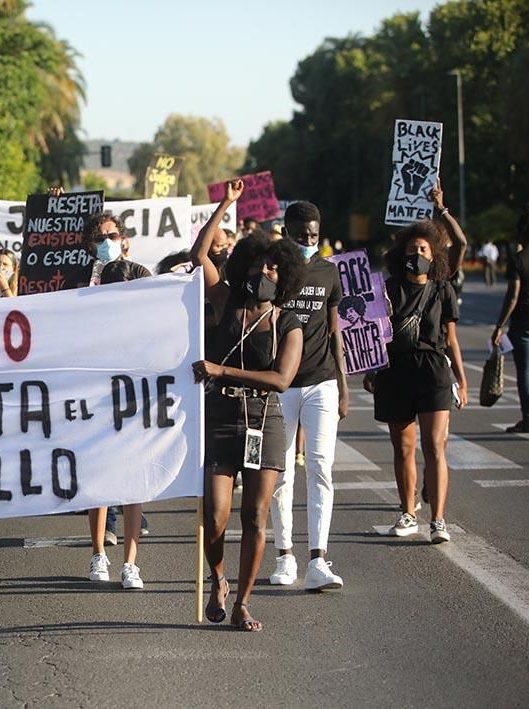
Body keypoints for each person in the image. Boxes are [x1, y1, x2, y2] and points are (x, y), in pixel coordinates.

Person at [192, 178, 306, 631]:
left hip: (263, 422)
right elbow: (200, 254)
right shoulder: (226, 301)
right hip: (220, 419)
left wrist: (221, 371)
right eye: (259, 265)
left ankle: (242, 601)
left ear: (286, 275)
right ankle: (218, 577)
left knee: (255, 515)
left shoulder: (288, 321)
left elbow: (280, 379)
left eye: (275, 268)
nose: (266, 273)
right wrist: (226, 204)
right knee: (214, 515)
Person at [367, 220, 467, 543]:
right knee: (403, 447)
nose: (418, 254)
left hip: (434, 371)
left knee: (434, 445)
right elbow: (376, 334)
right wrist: (371, 368)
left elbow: (451, 340)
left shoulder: (442, 289)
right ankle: (408, 511)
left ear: (434, 254)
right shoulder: (388, 289)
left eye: (423, 249)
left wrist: (461, 381)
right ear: (401, 255)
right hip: (396, 372)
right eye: (412, 249)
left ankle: (438, 520)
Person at [268, 201, 348, 592]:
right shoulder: (274, 270)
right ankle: (285, 555)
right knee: (280, 472)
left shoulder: (329, 272)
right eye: (302, 236)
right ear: (287, 233)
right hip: (281, 385)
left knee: (320, 468)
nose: (309, 242)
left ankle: (318, 558)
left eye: (314, 236)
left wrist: (343, 387)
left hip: (322, 383)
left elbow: (335, 333)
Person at [71, 212, 152, 588]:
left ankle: (130, 564)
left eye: (112, 234)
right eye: (100, 236)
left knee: (134, 479)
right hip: (98, 391)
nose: (107, 240)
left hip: (134, 390)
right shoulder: (83, 281)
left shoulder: (140, 274)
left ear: (124, 238)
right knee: (101, 476)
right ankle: (98, 555)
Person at [492, 205, 529, 432]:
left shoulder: (518, 260)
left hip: (523, 321)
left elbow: (513, 294)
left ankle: (528, 418)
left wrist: (500, 325)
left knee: (525, 371)